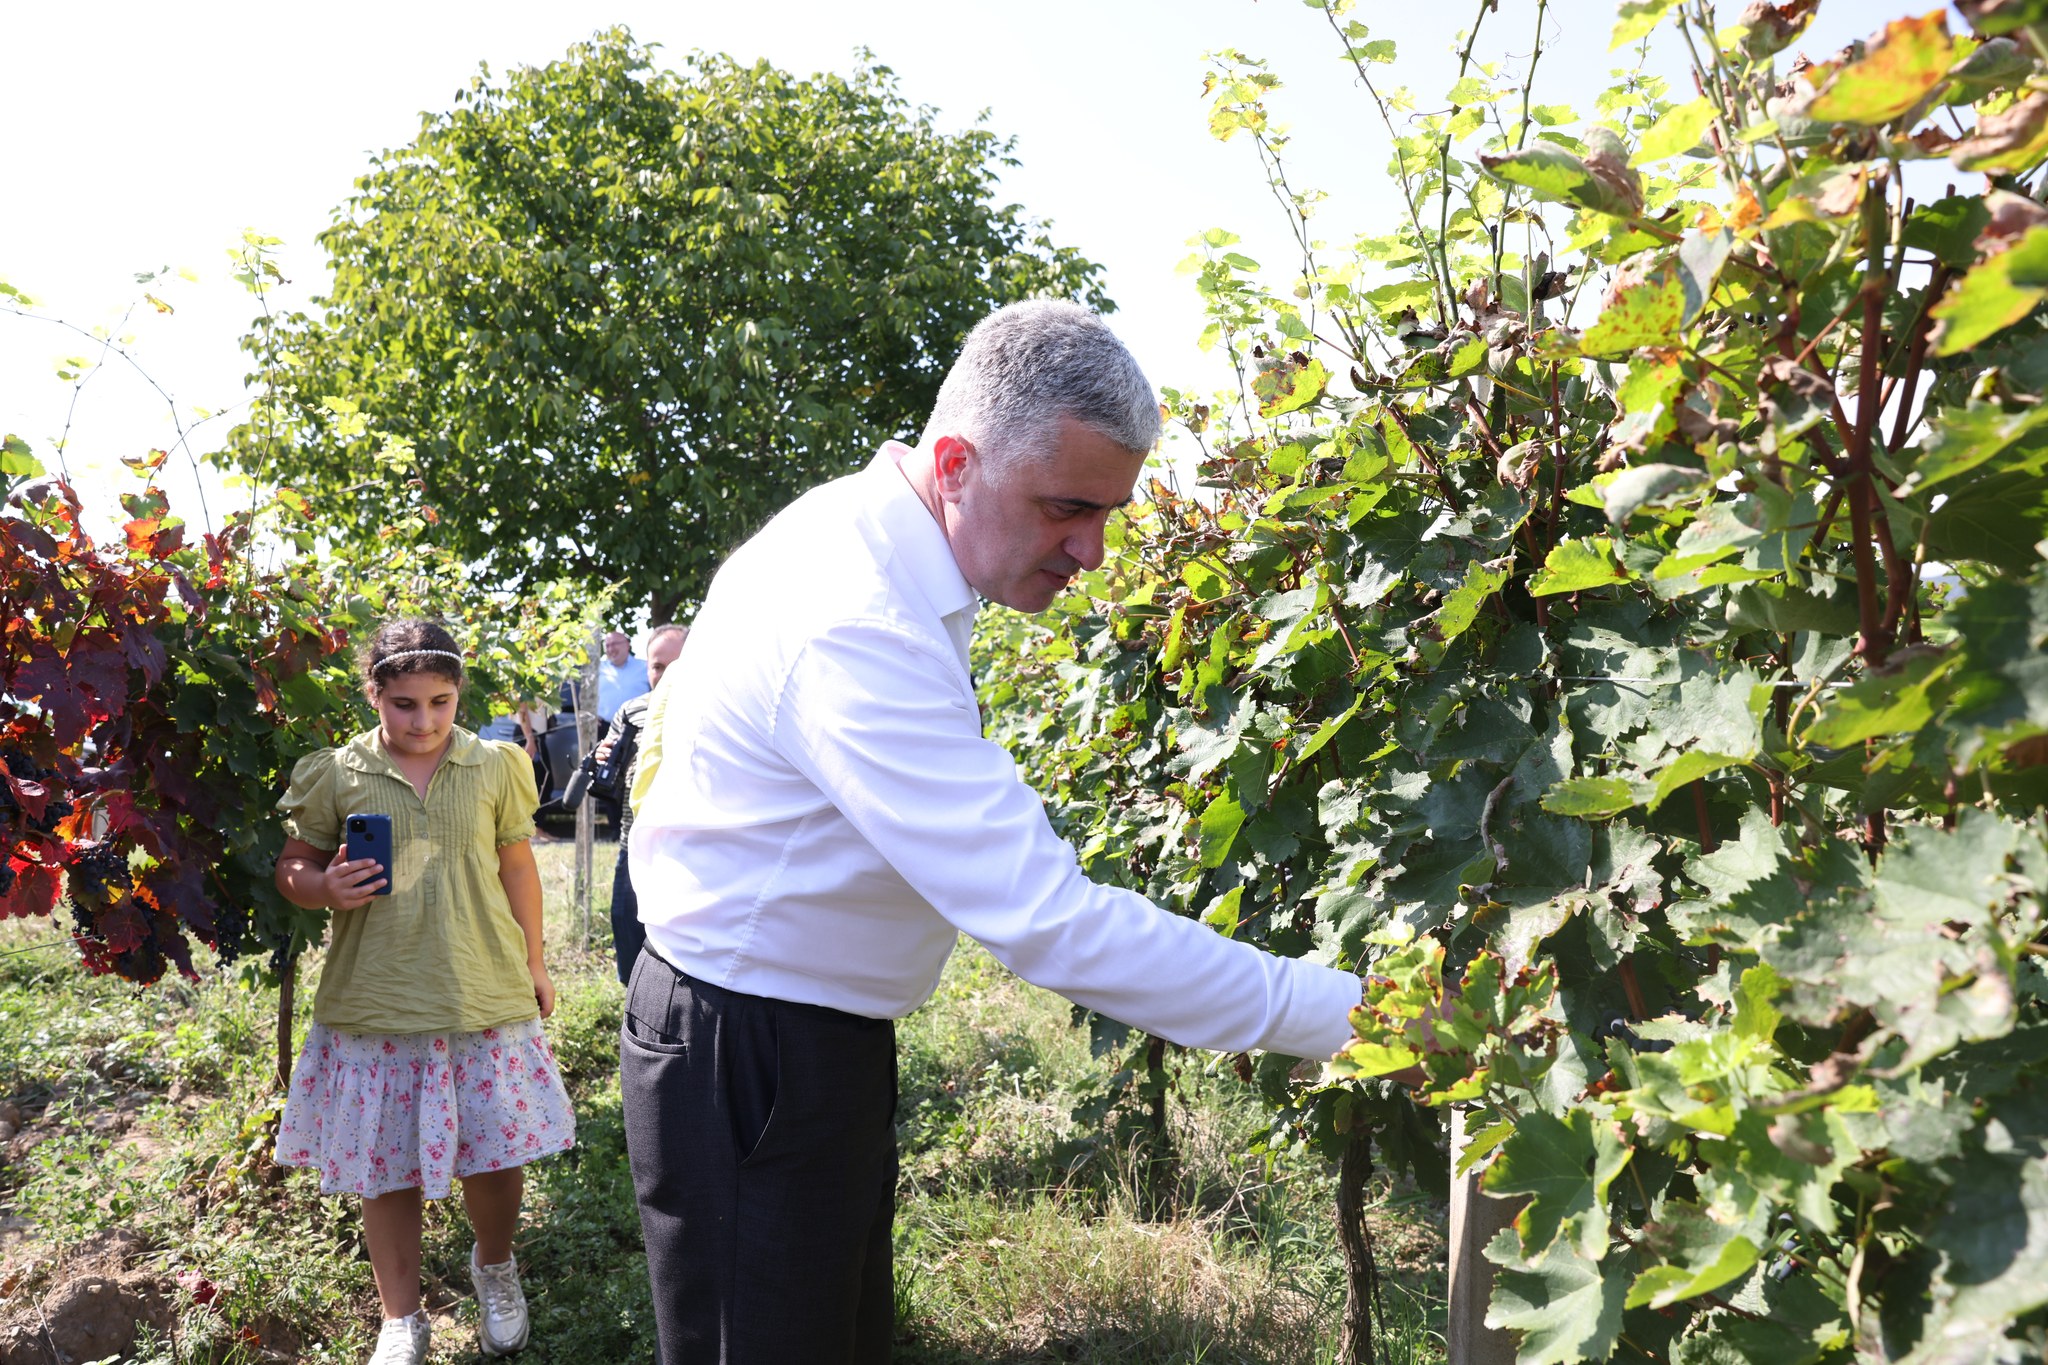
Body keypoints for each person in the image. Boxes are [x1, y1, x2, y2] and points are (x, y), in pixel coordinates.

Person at [622, 300, 1361, 1364]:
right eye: (1067, 508)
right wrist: (1346, 1015)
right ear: (956, 463)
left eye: (1108, 514)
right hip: (754, 1052)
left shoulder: (878, 544)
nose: (1092, 551)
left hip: (793, 1039)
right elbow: (1049, 922)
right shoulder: (854, 618)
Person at [271, 619, 577, 1365]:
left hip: (482, 987)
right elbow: (292, 866)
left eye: (440, 701)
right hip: (378, 997)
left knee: (495, 1156)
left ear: (458, 694)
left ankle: (494, 1266)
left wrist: (536, 963)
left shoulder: (494, 764)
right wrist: (323, 886)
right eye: (404, 703)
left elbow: (517, 868)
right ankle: (400, 1317)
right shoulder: (338, 771)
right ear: (373, 694)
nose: (424, 721)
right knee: (385, 1168)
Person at [562, 621, 687, 982]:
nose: (665, 675)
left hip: (685, 848)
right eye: (657, 666)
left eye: (676, 665)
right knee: (626, 924)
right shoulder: (632, 711)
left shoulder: (714, 710)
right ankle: (633, 999)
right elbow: (615, 780)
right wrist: (605, 760)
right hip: (634, 843)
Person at [596, 629, 650, 723]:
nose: (611, 649)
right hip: (603, 726)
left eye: (614, 644)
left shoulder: (645, 667)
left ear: (627, 645)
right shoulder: (597, 669)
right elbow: (586, 698)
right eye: (607, 645)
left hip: (638, 725)